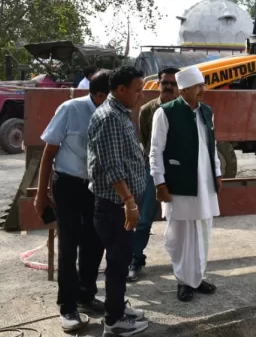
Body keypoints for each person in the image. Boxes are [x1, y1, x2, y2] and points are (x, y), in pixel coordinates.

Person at [34, 70, 111, 332]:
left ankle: (85, 295)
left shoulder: (112, 115)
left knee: (95, 241)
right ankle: (67, 306)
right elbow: (49, 152)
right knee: (69, 246)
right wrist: (41, 193)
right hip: (67, 185)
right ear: (100, 95)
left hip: (96, 187)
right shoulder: (70, 109)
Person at [150, 67, 222, 302]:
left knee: (203, 231)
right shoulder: (165, 113)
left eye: (203, 85)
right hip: (179, 183)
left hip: (204, 183)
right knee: (180, 235)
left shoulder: (207, 112)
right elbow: (155, 151)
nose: (203, 90)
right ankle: (183, 281)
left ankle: (197, 278)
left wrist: (217, 173)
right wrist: (159, 182)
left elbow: (212, 146)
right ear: (184, 89)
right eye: (197, 86)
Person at [88, 66, 148, 335]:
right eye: (137, 90)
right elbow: (112, 166)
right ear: (121, 89)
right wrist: (129, 202)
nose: (141, 95)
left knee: (120, 260)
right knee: (117, 261)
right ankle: (114, 321)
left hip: (121, 203)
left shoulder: (120, 114)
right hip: (115, 206)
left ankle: (118, 308)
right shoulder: (110, 117)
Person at [127, 67, 180, 282]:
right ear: (158, 84)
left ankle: (183, 263)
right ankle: (135, 258)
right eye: (164, 82)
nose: (167, 87)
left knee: (181, 218)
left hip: (179, 170)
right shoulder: (147, 110)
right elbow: (147, 141)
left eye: (172, 84)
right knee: (144, 216)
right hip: (153, 168)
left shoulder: (185, 110)